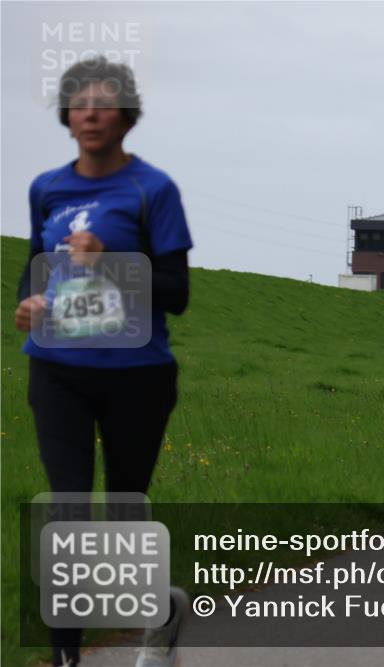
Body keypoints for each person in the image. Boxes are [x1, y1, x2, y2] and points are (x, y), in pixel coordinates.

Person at [14, 57, 193, 667]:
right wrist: (29, 305)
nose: (90, 112)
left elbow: (178, 292)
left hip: (136, 376)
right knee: (67, 509)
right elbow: (34, 269)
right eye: (79, 102)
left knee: (121, 514)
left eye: (104, 102)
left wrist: (110, 259)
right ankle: (68, 657)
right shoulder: (46, 188)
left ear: (127, 116)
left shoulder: (153, 190)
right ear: (67, 115)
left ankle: (160, 612)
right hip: (57, 370)